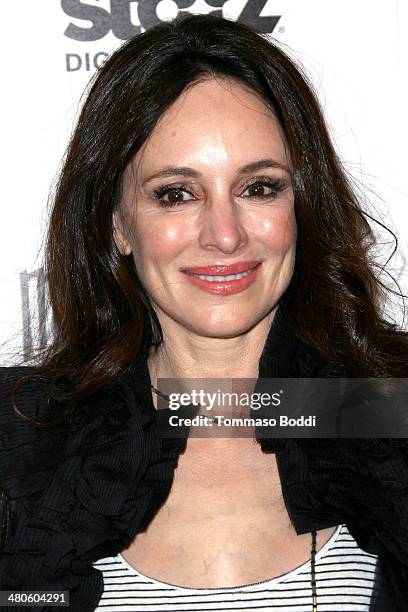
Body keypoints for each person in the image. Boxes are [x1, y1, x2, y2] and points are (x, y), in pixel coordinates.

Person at [0, 12, 407, 612]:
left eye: (259, 187)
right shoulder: (21, 437)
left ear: (302, 203)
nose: (224, 235)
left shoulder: (391, 411)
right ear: (117, 223)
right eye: (175, 193)